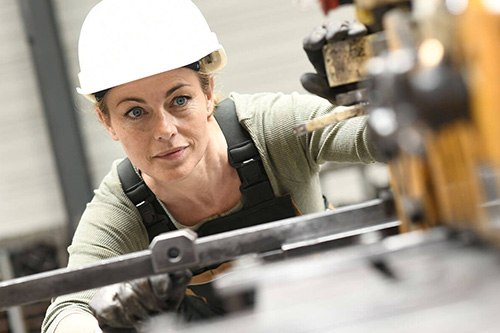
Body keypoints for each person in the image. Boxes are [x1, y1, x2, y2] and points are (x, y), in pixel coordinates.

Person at [42, 0, 380, 332]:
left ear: (208, 93)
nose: (164, 130)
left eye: (179, 100)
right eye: (135, 112)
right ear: (107, 122)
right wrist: (103, 321)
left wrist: (371, 102)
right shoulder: (121, 212)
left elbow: (378, 139)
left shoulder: (275, 130)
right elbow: (67, 311)